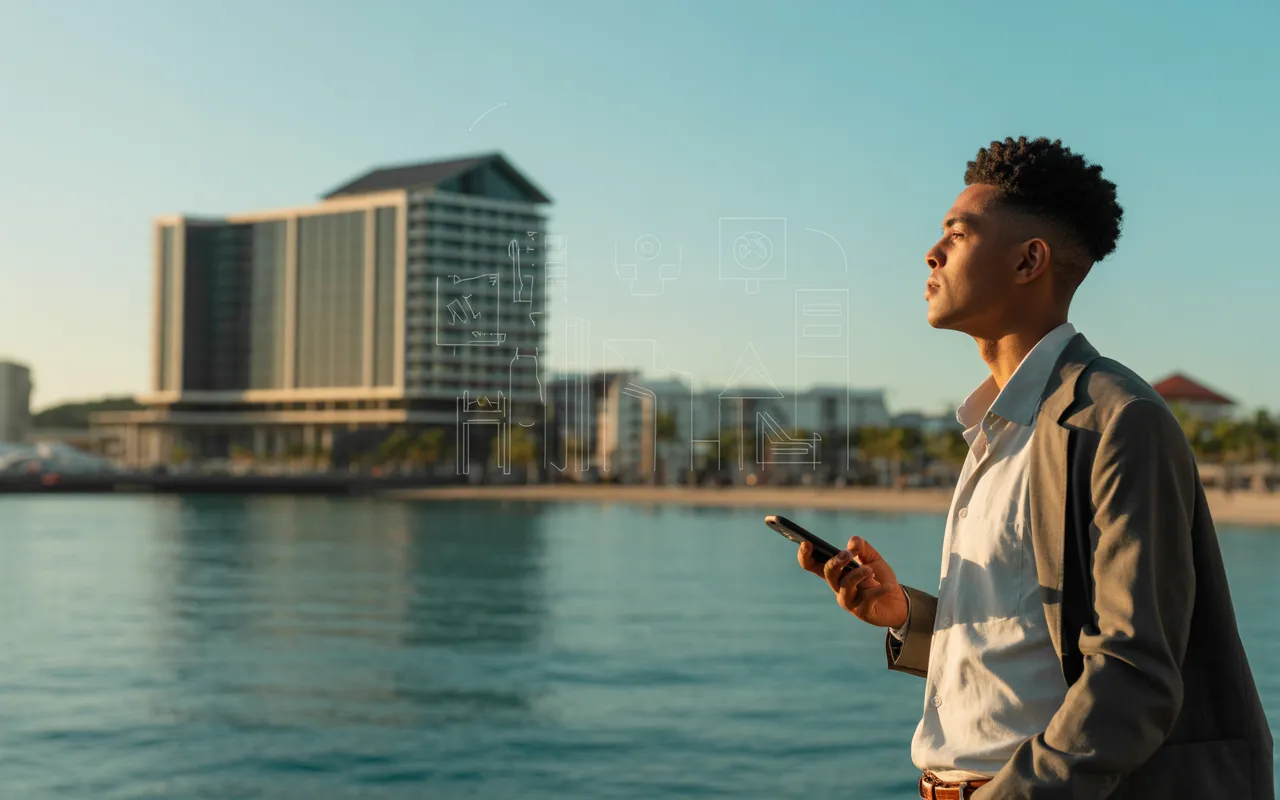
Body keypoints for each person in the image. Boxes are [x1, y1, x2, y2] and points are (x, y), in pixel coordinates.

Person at [798, 137, 1272, 799]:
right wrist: (902, 610)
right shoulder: (995, 429)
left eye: (957, 236)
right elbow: (1024, 654)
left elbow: (1134, 675)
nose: (931, 253)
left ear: (1029, 260)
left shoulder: (1118, 420)